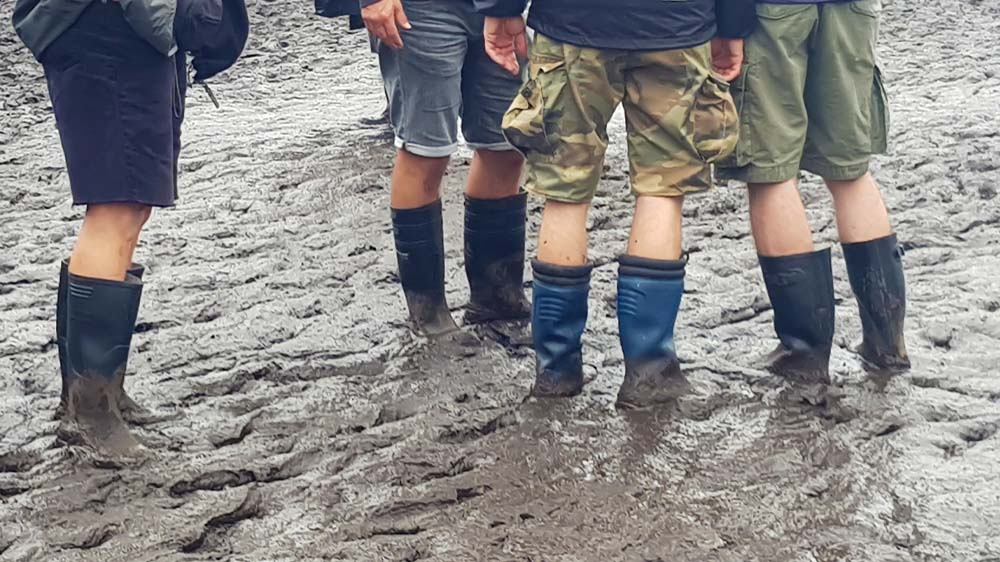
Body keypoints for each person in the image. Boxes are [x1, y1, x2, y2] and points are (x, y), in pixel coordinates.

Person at [478, 0, 755, 407]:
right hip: (677, 26)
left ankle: (556, 370)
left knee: (564, 192)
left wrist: (501, 7)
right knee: (662, 188)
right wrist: (733, 24)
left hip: (571, 24)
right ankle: (649, 373)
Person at [11, 0, 247, 454]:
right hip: (106, 31)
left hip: (122, 32)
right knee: (115, 207)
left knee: (131, 204)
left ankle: (97, 395)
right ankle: (91, 415)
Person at [715, 1, 909, 384]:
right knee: (850, 172)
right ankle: (887, 344)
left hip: (771, 13)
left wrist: (727, 22)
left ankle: (804, 353)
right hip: (852, 9)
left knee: (771, 174)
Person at [361, 0, 530, 338]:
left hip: (503, 7)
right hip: (420, 11)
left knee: (505, 146)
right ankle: (429, 315)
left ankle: (496, 299)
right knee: (426, 151)